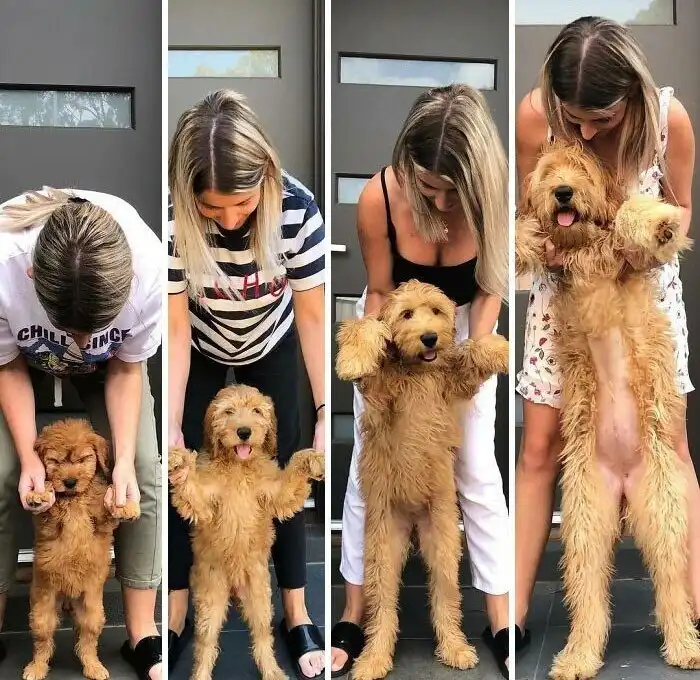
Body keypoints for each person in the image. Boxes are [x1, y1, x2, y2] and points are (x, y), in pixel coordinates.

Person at [514, 15, 700, 651]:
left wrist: (640, 243)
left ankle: (692, 607)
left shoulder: (669, 120)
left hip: (645, 291)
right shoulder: (536, 116)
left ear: (632, 93)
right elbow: (529, 214)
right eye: (576, 118)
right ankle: (511, 616)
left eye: (602, 117)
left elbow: (681, 209)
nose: (588, 132)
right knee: (540, 447)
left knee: (670, 446)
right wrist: (549, 248)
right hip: (563, 297)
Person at [330, 84, 512, 678]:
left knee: (477, 467)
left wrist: (470, 356)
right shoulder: (379, 198)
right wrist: (375, 356)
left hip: (461, 325)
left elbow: (490, 287)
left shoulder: (494, 200)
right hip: (394, 322)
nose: (437, 200)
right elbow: (381, 289)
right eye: (427, 186)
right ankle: (355, 615)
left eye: (451, 190)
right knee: (368, 469)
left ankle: (501, 618)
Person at [167, 89, 326, 680]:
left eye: (242, 204)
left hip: (273, 340)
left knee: (283, 473)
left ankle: (296, 612)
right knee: (185, 471)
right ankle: (176, 614)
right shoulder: (173, 219)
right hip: (202, 343)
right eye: (213, 208)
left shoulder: (297, 211)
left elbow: (313, 318)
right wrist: (173, 423)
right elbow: (175, 330)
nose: (231, 221)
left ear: (266, 175)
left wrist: (323, 408)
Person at [0, 189, 163, 680]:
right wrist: (29, 459)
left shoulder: (149, 269)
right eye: (73, 330)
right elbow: (7, 366)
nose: (82, 344)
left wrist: (124, 462)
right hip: (21, 360)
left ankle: (142, 632)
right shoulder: (4, 265)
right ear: (33, 277)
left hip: (112, 369)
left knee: (145, 473)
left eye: (95, 328)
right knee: (3, 472)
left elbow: (126, 368)